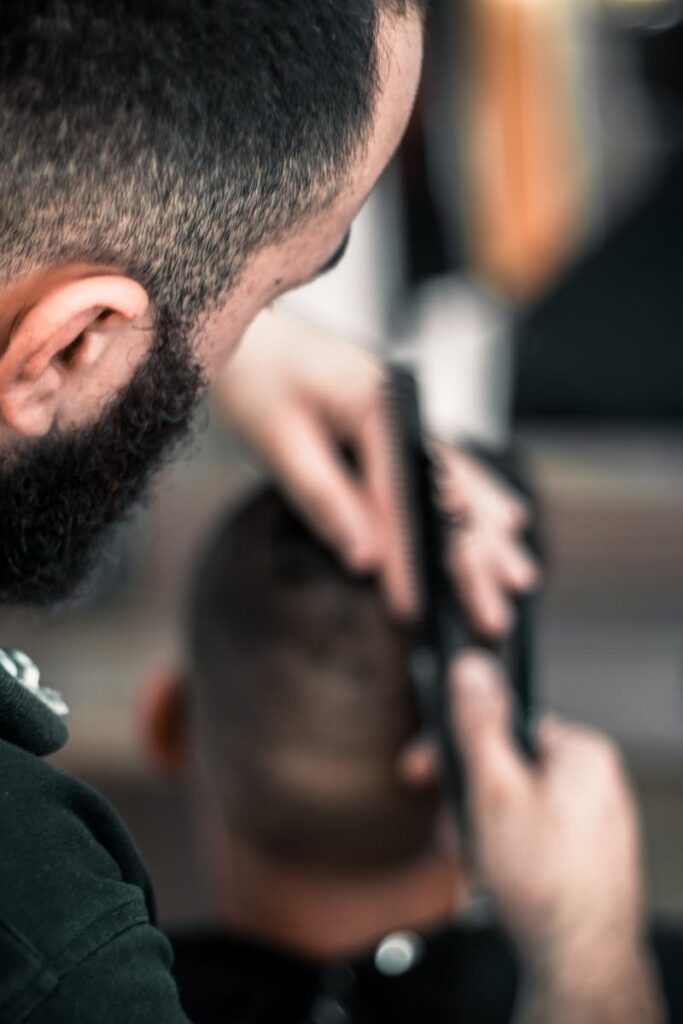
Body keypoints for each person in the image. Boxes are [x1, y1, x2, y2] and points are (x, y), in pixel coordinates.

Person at [0, 3, 659, 1021]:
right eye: (278, 292)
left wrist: (174, 316)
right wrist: (587, 958)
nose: (259, 347)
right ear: (78, 341)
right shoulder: (54, 954)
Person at [143, 485, 672, 1024]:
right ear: (488, 769)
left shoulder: (78, 997)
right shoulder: (623, 981)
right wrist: (590, 958)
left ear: (166, 725)